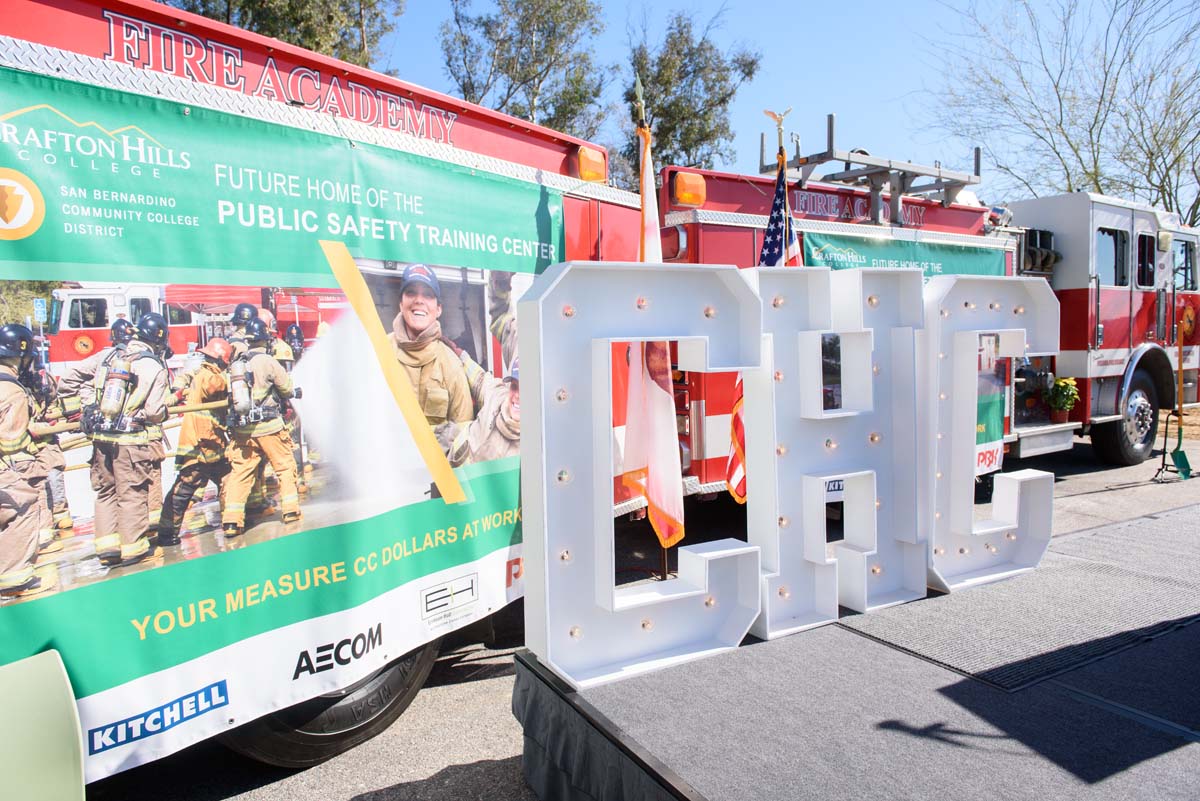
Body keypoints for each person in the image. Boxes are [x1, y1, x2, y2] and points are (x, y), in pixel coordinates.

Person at [86, 313, 170, 567]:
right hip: (130, 440)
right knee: (132, 493)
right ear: (159, 339)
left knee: (106, 492)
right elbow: (155, 412)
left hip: (100, 437)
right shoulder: (153, 366)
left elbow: (85, 386)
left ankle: (108, 549)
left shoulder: (111, 356)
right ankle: (135, 549)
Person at [221, 319, 301, 537]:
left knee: (241, 473)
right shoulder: (268, 361)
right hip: (269, 427)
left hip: (244, 430)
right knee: (284, 466)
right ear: (266, 341)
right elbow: (285, 387)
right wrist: (292, 392)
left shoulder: (238, 362)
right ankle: (291, 511)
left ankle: (231, 521)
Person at [158, 338, 232, 546]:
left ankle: (167, 533)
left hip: (204, 442)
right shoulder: (210, 376)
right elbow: (217, 387)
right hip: (204, 444)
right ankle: (231, 523)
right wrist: (237, 377)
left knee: (187, 489)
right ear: (220, 360)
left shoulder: (200, 372)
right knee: (223, 482)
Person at [0, 324, 55, 597]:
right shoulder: (13, 391)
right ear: (20, 356)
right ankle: (15, 576)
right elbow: (11, 442)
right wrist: (34, 435)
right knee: (24, 505)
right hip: (5, 466)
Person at [388, 264, 471, 426]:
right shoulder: (378, 352)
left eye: (427, 294)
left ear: (438, 309)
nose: (419, 300)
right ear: (401, 303)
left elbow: (464, 436)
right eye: (411, 292)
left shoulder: (452, 366)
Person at [436, 356, 520, 467]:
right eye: (514, 386)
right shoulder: (497, 396)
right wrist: (461, 355)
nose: (517, 395)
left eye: (526, 389)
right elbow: (480, 380)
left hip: (468, 483)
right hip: (448, 466)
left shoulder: (535, 447)